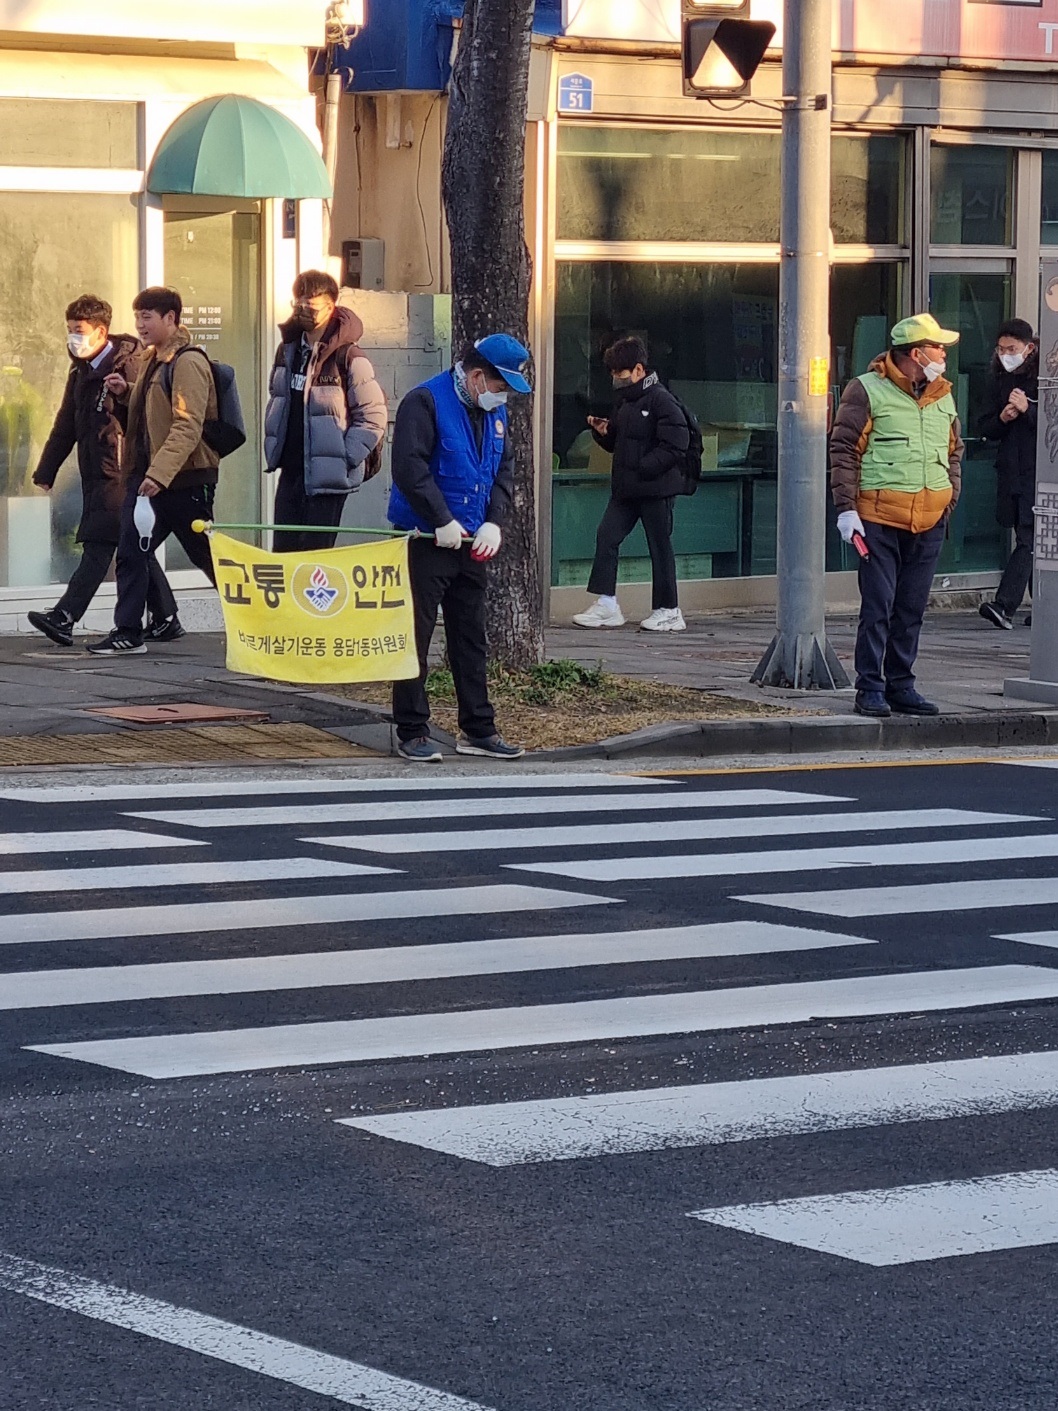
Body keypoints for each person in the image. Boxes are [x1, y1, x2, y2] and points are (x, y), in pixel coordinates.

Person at [387, 335, 530, 762]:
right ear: (476, 376)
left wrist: (494, 522)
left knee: (471, 637)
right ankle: (411, 730)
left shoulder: (495, 413)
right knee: (413, 637)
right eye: (500, 388)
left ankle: (478, 729)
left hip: (472, 542)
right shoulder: (424, 402)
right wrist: (440, 519)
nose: (503, 398)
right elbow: (410, 468)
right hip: (426, 540)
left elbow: (503, 470)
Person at [830, 312, 964, 719]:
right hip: (878, 519)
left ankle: (901, 685)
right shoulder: (866, 390)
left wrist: (950, 496)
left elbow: (954, 449)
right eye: (937, 347)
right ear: (915, 353)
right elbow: (843, 449)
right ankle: (869, 687)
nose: (943, 353)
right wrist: (846, 510)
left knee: (911, 608)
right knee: (879, 607)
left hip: (929, 520)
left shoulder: (943, 393)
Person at [28, 295, 179, 647]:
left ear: (100, 331)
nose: (72, 338)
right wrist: (47, 469)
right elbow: (66, 422)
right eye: (69, 331)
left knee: (100, 542)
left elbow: (147, 418)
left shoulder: (129, 364)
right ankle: (166, 616)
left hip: (122, 469)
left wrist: (123, 396)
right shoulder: (80, 370)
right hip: (95, 470)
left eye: (78, 331)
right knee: (128, 544)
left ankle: (64, 616)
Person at [88, 286, 219, 656]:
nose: (140, 325)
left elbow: (187, 425)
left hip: (185, 480)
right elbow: (153, 407)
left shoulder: (189, 362)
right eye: (137, 317)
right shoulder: (152, 358)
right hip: (147, 479)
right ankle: (128, 631)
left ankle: (258, 619)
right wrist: (127, 391)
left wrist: (159, 475)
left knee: (206, 556)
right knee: (131, 551)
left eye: (148, 317)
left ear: (171, 319)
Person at [264, 270, 387, 553]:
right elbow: (278, 400)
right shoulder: (288, 350)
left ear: (331, 305)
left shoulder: (349, 356)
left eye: (311, 301)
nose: (303, 307)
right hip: (291, 471)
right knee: (283, 556)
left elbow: (373, 417)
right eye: (299, 300)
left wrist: (343, 458)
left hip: (327, 482)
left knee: (315, 560)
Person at [572, 335, 689, 633]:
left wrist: (645, 467)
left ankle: (669, 610)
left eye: (619, 372)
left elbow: (677, 443)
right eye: (612, 372)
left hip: (655, 488)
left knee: (659, 546)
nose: (615, 378)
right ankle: (607, 603)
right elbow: (620, 443)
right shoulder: (626, 401)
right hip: (627, 488)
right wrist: (603, 432)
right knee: (606, 537)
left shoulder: (661, 399)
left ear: (638, 369)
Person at [978, 318, 1038, 631]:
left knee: (1030, 539)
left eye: (1011, 349)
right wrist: (1002, 417)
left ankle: (1005, 605)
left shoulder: (1046, 376)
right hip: (1012, 473)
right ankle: (1044, 607)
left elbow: (1050, 425)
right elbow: (985, 427)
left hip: (1038, 473)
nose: (1005, 355)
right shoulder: (999, 379)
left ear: (1029, 348)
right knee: (1029, 538)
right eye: (1001, 349)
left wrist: (1029, 410)